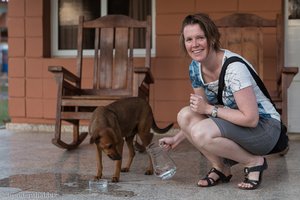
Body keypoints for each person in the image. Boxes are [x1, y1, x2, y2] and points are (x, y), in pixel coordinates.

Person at [158, 13, 281, 190]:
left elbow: (251, 119)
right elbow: (201, 111)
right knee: (185, 115)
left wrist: (209, 109)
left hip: (265, 128)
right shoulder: (195, 67)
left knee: (202, 131)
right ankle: (221, 168)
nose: (194, 45)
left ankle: (254, 162)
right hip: (235, 124)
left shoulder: (234, 68)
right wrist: (177, 138)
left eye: (200, 38)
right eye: (189, 39)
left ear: (212, 38)